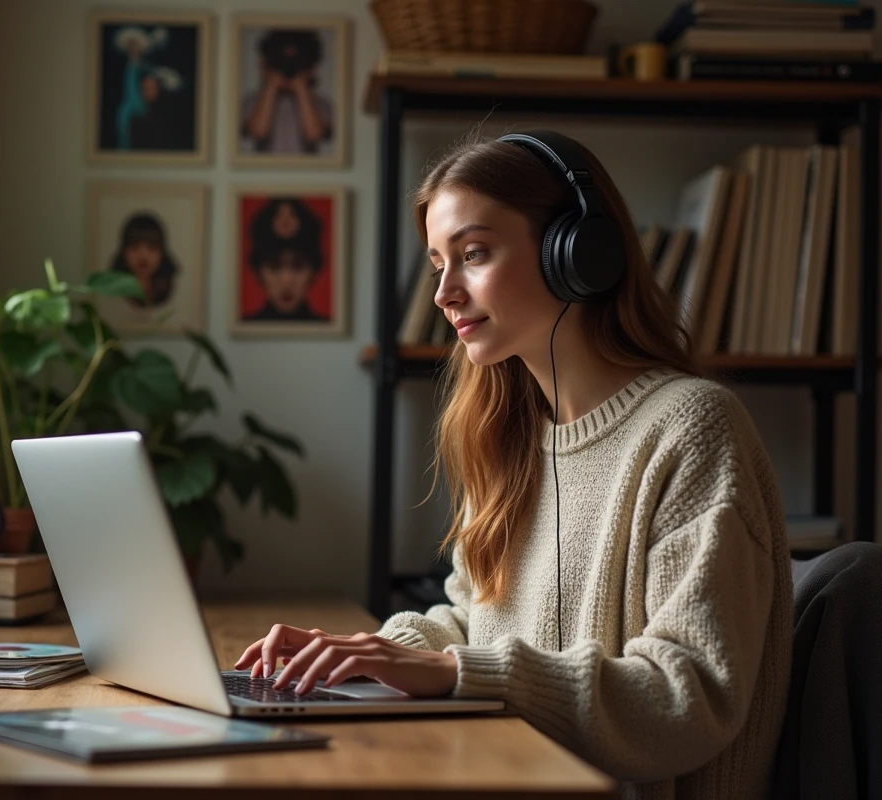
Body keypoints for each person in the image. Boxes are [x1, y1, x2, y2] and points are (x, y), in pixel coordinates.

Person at [234, 131, 793, 798]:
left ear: (576, 254)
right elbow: (469, 621)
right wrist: (369, 655)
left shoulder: (693, 430)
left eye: (473, 255)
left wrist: (452, 671)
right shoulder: (509, 438)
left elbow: (687, 697)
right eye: (438, 262)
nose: (444, 292)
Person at [239, 29, 332, 155]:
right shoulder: (253, 102)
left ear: (312, 70)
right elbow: (258, 132)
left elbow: (314, 135)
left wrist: (301, 88)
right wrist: (271, 86)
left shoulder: (320, 104)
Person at [245, 198, 328, 321]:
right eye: (274, 267)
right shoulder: (246, 326)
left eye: (298, 267)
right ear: (259, 272)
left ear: (313, 271)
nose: (287, 280)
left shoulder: (327, 327)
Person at [112, 26, 183, 150]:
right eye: (131, 47)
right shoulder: (132, 70)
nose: (133, 50)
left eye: (135, 47)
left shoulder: (146, 67)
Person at [109, 212, 177, 308]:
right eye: (134, 247)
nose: (143, 256)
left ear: (162, 253)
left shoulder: (166, 290)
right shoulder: (114, 291)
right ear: (123, 251)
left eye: (152, 248)